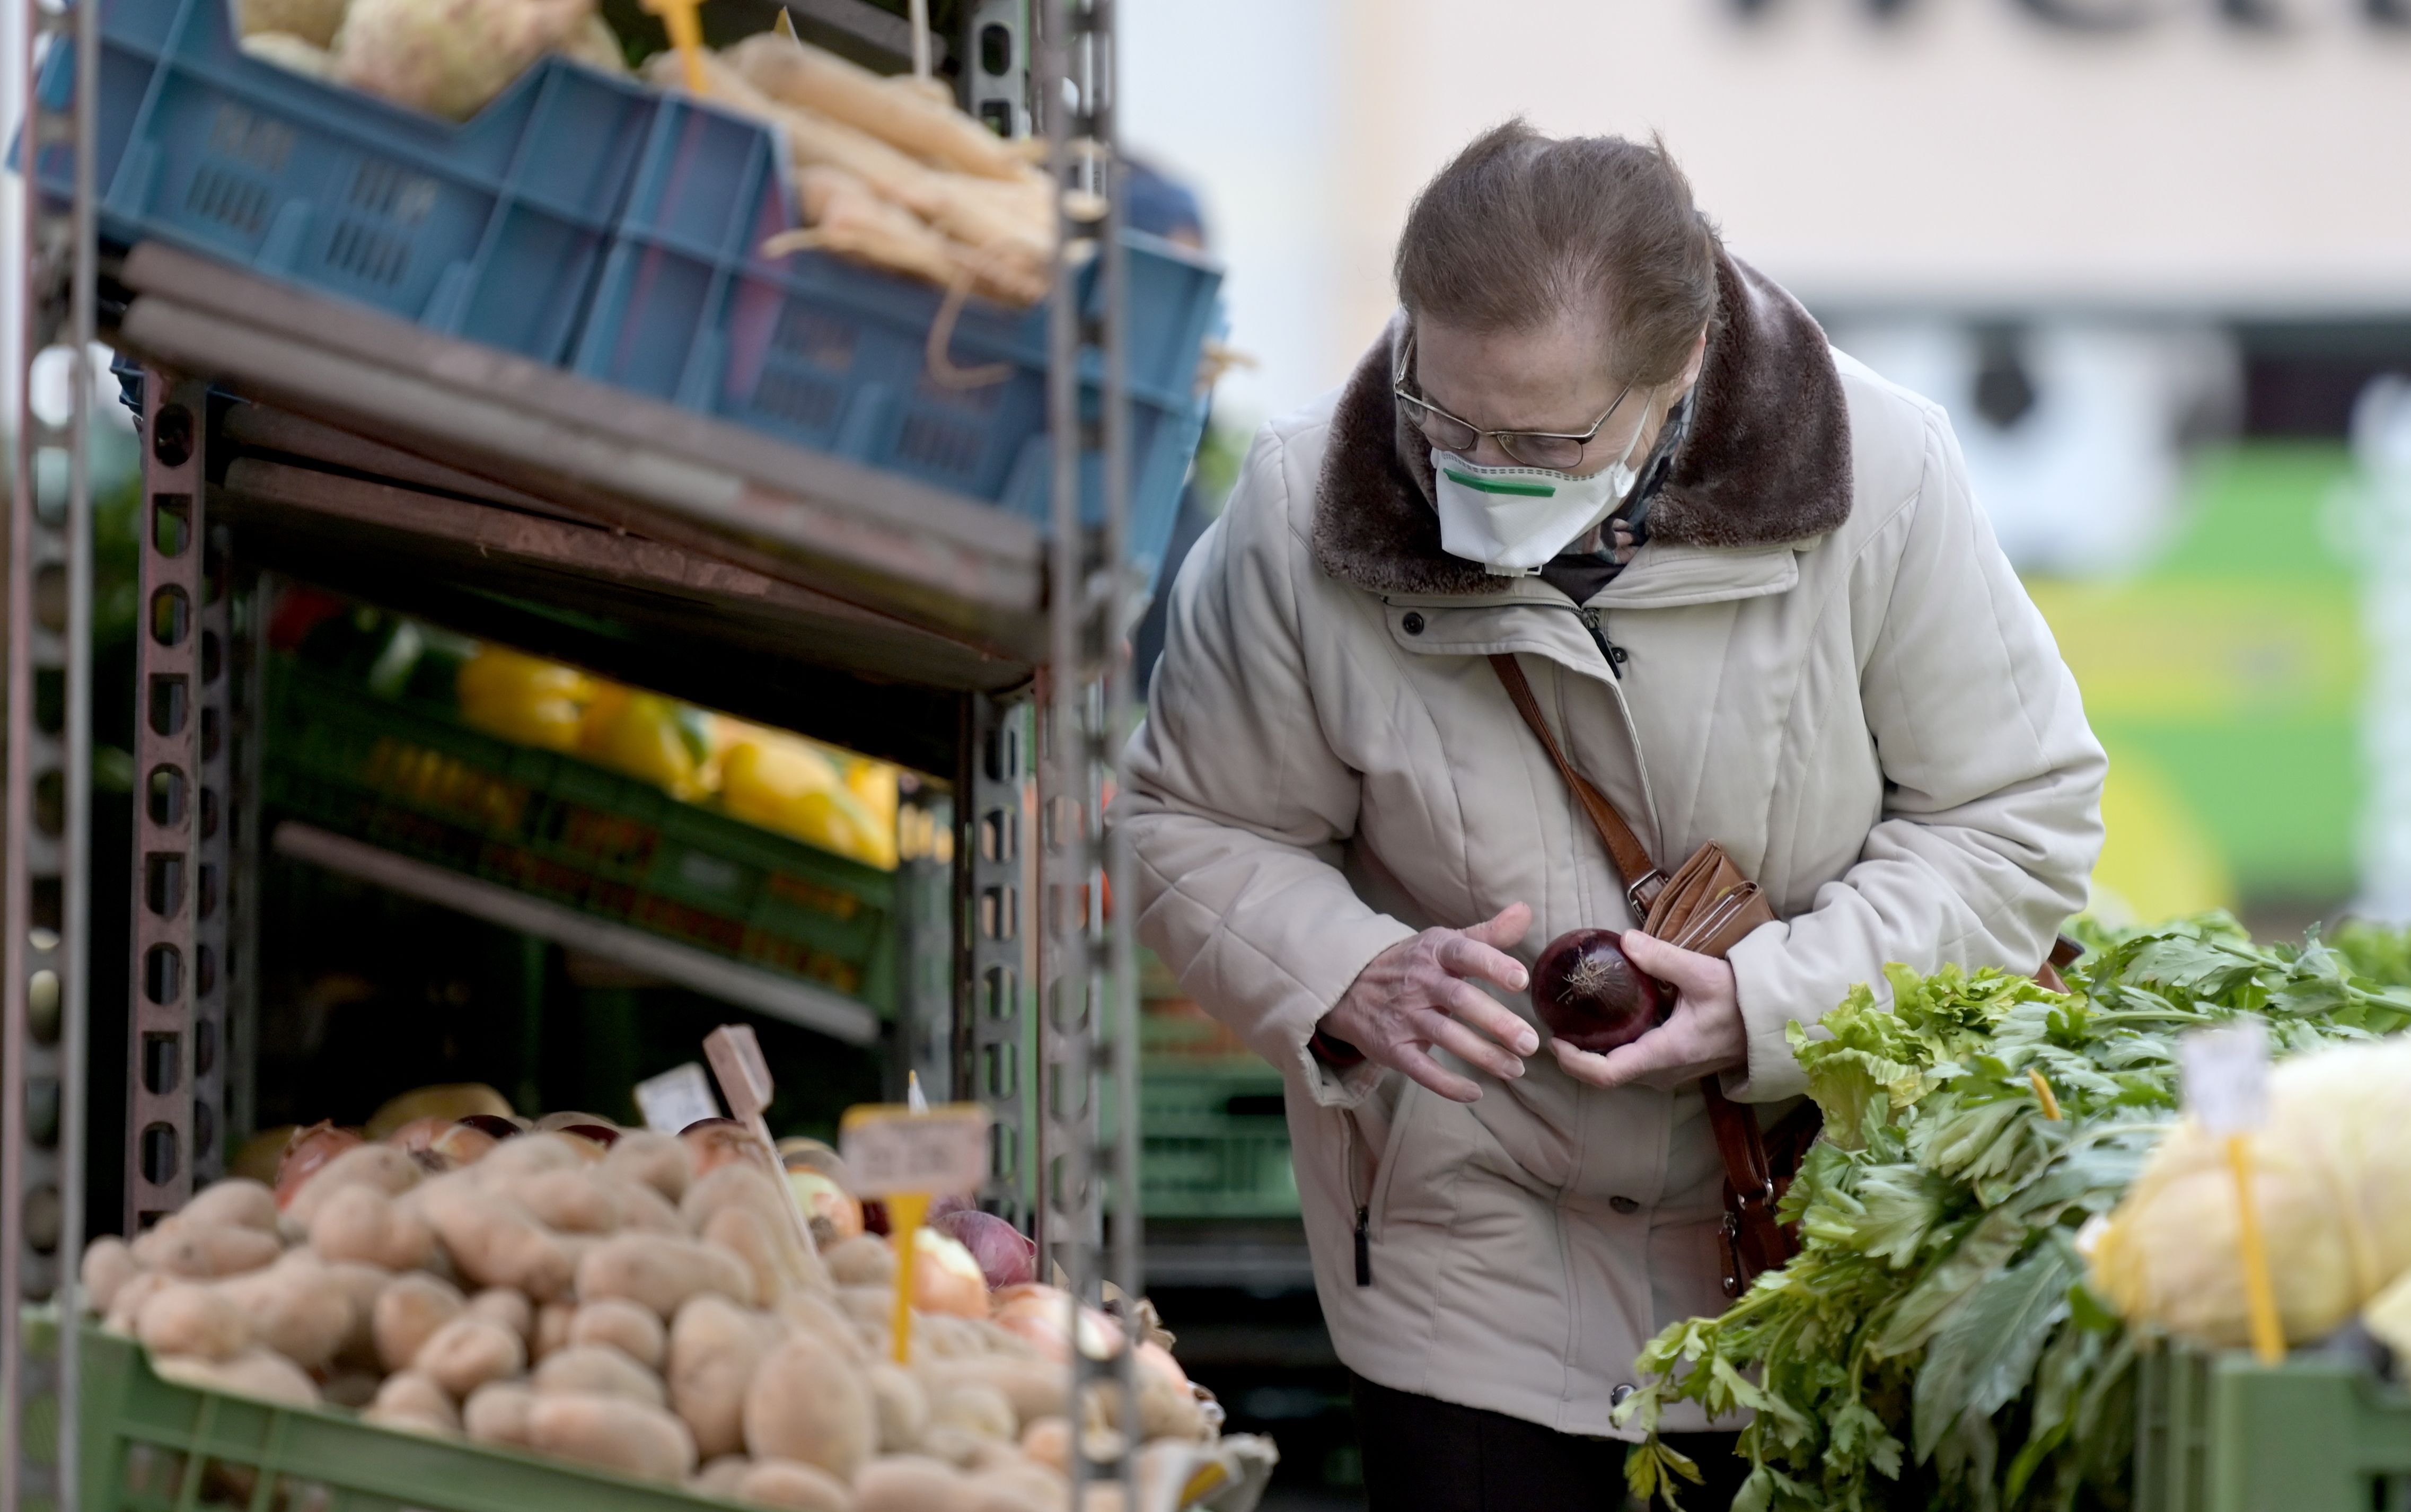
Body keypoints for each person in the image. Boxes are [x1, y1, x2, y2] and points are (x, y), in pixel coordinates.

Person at [1113, 122, 2105, 1510]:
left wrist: (1773, 1003)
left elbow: (2014, 816)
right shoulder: (1297, 508)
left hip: (1823, 1248)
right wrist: (1348, 971)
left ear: (1679, 367)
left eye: (1542, 439)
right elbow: (1190, 822)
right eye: (1442, 415)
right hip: (1468, 1262)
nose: (1474, 467)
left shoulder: (1881, 475)